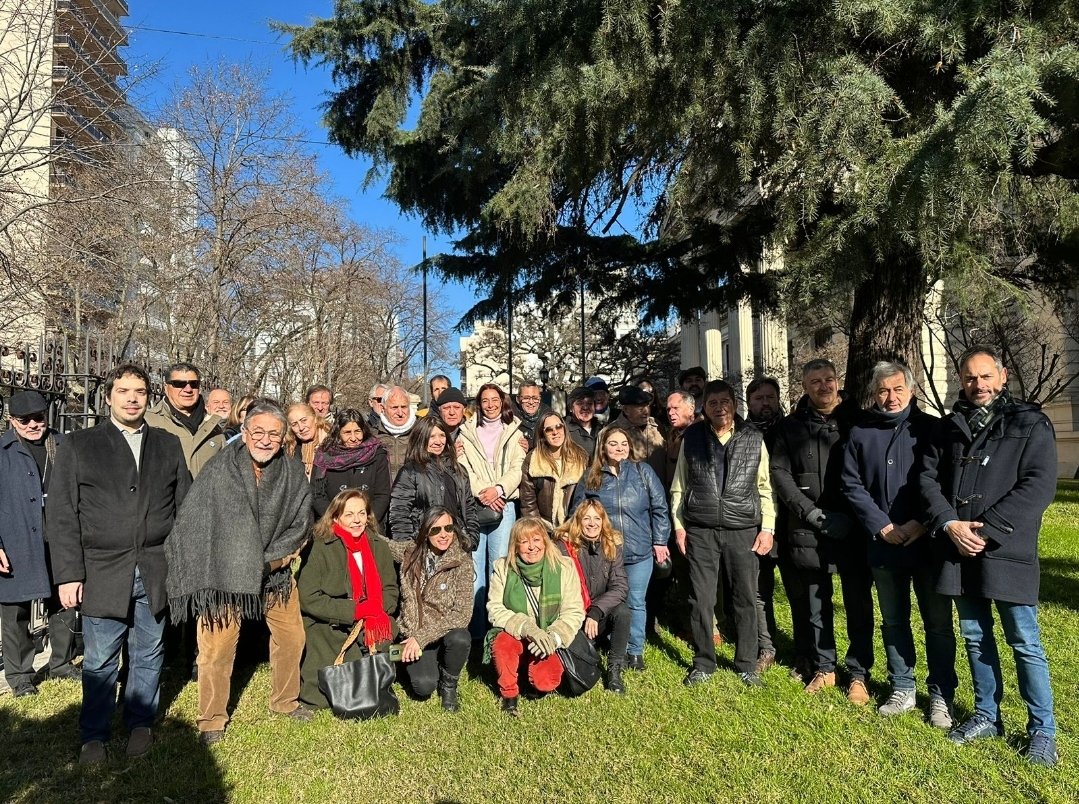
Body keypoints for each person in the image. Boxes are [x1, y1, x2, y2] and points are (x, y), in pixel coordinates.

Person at [920, 346, 1059, 765]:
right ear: (961, 381)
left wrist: (987, 528)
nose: (977, 385)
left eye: (984, 377)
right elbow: (927, 481)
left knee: (1024, 640)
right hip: (958, 547)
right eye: (969, 378)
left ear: (1001, 378)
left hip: (1005, 547)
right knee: (976, 637)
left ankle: (1043, 730)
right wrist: (950, 523)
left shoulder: (1030, 423)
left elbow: (1038, 485)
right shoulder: (948, 428)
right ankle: (987, 715)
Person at [48, 363, 191, 764]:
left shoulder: (168, 444)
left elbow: (186, 509)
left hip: (155, 568)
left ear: (150, 397)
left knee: (149, 652)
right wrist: (69, 574)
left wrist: (181, 567)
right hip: (101, 571)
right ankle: (93, 733)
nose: (132, 398)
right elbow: (61, 517)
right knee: (99, 659)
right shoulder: (78, 445)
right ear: (108, 396)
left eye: (140, 392)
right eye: (124, 391)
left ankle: (140, 723)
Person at [165, 400, 312, 745]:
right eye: (257, 431)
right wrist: (238, 561)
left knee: (292, 637)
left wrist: (269, 561)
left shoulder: (291, 472)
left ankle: (285, 701)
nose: (265, 440)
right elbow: (196, 522)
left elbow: (300, 524)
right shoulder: (219, 470)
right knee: (216, 648)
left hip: (274, 573)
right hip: (223, 577)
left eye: (273, 434)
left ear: (283, 437)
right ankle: (211, 720)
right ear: (244, 434)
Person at [842, 361, 956, 727]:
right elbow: (852, 485)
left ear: (911, 391)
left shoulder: (931, 429)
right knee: (893, 621)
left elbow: (946, 481)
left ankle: (941, 694)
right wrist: (882, 526)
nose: (890, 398)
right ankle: (902, 686)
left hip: (928, 543)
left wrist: (923, 523)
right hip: (883, 544)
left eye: (897, 390)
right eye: (883, 391)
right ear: (874, 394)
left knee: (937, 622)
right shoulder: (860, 432)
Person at [770, 359, 872, 703]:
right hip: (809, 527)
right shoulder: (789, 427)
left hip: (855, 529)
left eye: (828, 379)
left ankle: (858, 674)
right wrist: (811, 513)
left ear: (838, 381)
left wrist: (858, 516)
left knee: (858, 604)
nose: (823, 386)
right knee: (816, 604)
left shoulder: (859, 421)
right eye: (815, 381)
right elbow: (780, 475)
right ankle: (825, 667)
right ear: (804, 387)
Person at [670, 380, 776, 687]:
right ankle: (704, 662)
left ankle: (746, 663)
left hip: (742, 529)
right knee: (701, 599)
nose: (720, 408)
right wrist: (679, 527)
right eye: (713, 403)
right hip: (701, 530)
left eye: (725, 402)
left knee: (744, 597)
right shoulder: (692, 437)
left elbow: (766, 487)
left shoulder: (753, 438)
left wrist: (767, 529)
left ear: (734, 404)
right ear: (705, 407)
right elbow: (679, 485)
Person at [570, 425, 670, 672]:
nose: (619, 448)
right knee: (606, 600)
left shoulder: (642, 472)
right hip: (606, 553)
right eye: (613, 443)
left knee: (635, 601)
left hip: (639, 552)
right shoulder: (591, 476)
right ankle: (604, 642)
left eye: (623, 444)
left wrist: (659, 541)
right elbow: (577, 513)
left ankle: (634, 651)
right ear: (603, 446)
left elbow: (660, 508)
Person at [0, 391, 80, 697]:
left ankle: (61, 662)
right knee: (15, 610)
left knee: (65, 601)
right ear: (12, 421)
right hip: (16, 538)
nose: (34, 424)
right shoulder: (3, 450)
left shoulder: (64, 445)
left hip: (60, 538)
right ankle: (19, 675)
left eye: (39, 418)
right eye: (25, 420)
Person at [297, 489, 398, 709]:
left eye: (361, 513)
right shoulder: (321, 547)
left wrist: (376, 610)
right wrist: (353, 611)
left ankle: (375, 681)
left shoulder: (378, 546)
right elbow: (309, 597)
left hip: (372, 616)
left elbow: (390, 588)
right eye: (349, 514)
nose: (357, 520)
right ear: (335, 517)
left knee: (385, 634)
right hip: (331, 620)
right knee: (336, 669)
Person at [486, 517, 585, 716]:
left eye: (537, 540)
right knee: (503, 643)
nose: (532, 547)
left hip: (548, 635)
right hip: (517, 633)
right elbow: (494, 608)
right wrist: (526, 627)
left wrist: (554, 637)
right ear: (515, 546)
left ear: (545, 542)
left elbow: (574, 611)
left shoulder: (564, 567)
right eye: (524, 542)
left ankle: (528, 673)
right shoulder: (503, 568)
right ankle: (509, 695)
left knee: (546, 681)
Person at [384, 507, 474, 711]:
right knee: (423, 687)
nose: (443, 534)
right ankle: (408, 664)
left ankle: (449, 685)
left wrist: (421, 638)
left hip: (442, 633)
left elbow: (462, 615)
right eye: (435, 530)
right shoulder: (410, 551)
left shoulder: (462, 563)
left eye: (448, 528)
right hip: (411, 633)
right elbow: (384, 544)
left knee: (461, 638)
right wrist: (359, 523)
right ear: (426, 532)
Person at [457, 383, 527, 634]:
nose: (490, 405)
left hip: (504, 504)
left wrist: (498, 490)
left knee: (499, 567)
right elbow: (463, 466)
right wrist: (483, 493)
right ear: (479, 404)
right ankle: (476, 631)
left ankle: (497, 630)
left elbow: (518, 467)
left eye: (494, 399)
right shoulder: (466, 433)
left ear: (502, 401)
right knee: (475, 568)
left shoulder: (515, 431)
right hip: (476, 505)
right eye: (485, 400)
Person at [555, 501, 629, 693]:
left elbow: (620, 586)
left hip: (597, 613)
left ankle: (615, 671)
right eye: (586, 518)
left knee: (622, 612)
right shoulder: (564, 548)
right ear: (578, 521)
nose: (592, 523)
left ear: (603, 522)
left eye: (597, 518)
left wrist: (596, 611)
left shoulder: (612, 545)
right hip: (571, 614)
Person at [745, 376, 786, 674]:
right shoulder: (742, 434)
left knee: (800, 591)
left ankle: (807, 651)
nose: (765, 403)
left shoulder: (792, 429)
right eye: (758, 398)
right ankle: (766, 646)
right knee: (759, 590)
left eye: (770, 397)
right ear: (749, 402)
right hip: (754, 523)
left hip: (793, 521)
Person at [388, 416, 480, 547]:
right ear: (421, 439)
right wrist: (407, 548)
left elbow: (469, 508)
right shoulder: (410, 472)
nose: (438, 441)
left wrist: (470, 540)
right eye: (432, 437)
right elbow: (399, 513)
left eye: (442, 435)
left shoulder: (458, 470)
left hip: (457, 545)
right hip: (423, 546)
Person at [144, 362, 225, 478]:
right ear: (165, 388)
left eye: (194, 384)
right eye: (179, 384)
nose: (188, 389)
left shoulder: (213, 426)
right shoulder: (148, 422)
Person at [311, 408, 391, 524]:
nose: (353, 438)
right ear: (338, 433)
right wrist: (335, 519)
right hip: (333, 523)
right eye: (347, 432)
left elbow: (382, 494)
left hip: (369, 524)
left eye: (357, 432)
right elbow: (317, 494)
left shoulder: (376, 454)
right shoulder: (325, 456)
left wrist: (366, 520)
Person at [519, 411, 589, 532]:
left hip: (575, 527)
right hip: (545, 529)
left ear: (564, 428)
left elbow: (588, 497)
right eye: (549, 430)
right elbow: (528, 502)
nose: (555, 432)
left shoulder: (581, 457)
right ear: (542, 434)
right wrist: (538, 531)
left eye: (558, 426)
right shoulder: (533, 460)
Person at [610, 386, 666, 481]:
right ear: (626, 410)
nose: (646, 411)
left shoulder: (656, 425)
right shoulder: (611, 432)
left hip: (660, 491)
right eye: (640, 408)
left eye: (647, 405)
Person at [374, 385, 417, 478]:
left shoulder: (420, 431)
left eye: (404, 407)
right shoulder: (373, 434)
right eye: (394, 407)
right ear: (382, 408)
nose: (400, 413)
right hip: (384, 491)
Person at [285, 402, 330, 480]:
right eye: (294, 424)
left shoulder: (332, 443)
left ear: (315, 418)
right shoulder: (291, 450)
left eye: (304, 420)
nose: (301, 427)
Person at [515, 381, 552, 448]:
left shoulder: (549, 416)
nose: (531, 402)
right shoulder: (510, 416)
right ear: (518, 399)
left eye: (535, 398)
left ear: (540, 399)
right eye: (526, 398)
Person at [565, 386, 599, 459]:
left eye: (589, 403)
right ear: (571, 408)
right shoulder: (563, 430)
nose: (585, 407)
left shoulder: (602, 429)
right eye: (580, 403)